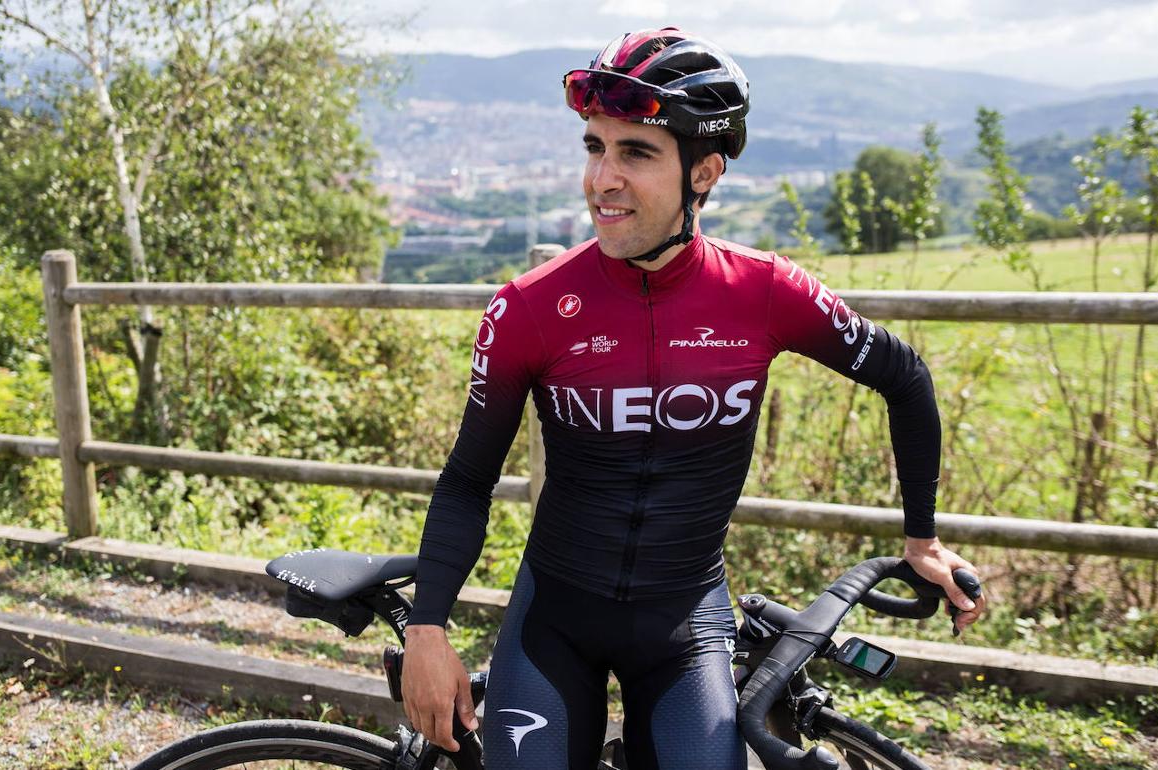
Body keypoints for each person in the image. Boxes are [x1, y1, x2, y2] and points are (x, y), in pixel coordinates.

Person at [401, 27, 986, 770]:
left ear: (703, 172)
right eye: (594, 147)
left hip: (684, 628)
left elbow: (905, 377)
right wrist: (427, 631)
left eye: (636, 153)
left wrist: (922, 541)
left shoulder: (765, 291)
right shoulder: (530, 307)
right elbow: (467, 479)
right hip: (554, 622)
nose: (602, 179)